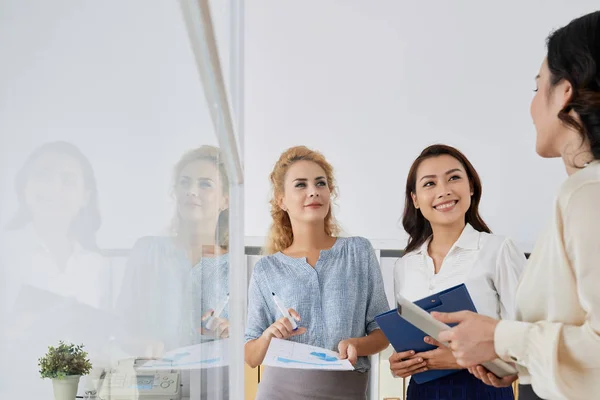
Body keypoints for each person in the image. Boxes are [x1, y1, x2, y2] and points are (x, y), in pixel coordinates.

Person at [433, 10, 600, 400]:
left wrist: (500, 335)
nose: (530, 107)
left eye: (537, 86)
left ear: (565, 92)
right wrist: (510, 356)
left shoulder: (585, 194)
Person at [244, 146, 390, 400]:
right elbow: (251, 356)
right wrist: (270, 335)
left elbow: (383, 332)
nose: (313, 191)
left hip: (348, 391)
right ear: (281, 200)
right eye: (300, 185)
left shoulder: (358, 252)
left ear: (329, 192)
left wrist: (357, 344)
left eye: (320, 183)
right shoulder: (266, 269)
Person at [389, 144, 525, 399]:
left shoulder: (498, 249)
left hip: (483, 389)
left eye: (453, 178)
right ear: (415, 199)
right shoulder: (405, 265)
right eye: (429, 184)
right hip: (422, 392)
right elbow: (408, 339)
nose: (444, 190)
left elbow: (526, 337)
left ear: (471, 187)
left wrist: (460, 359)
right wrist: (400, 364)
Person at [115, 145, 230, 398]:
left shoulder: (236, 267)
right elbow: (120, 325)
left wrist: (231, 331)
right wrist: (142, 344)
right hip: (155, 387)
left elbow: (252, 341)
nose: (191, 191)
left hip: (215, 390)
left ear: (226, 199)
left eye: (205, 184)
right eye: (185, 183)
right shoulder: (148, 251)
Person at [0, 141, 109, 398]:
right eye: (43, 175)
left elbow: (98, 341)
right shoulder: (6, 251)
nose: (54, 188)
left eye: (67, 180)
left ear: (85, 196)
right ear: (24, 187)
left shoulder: (95, 265)